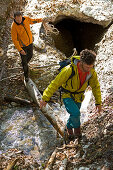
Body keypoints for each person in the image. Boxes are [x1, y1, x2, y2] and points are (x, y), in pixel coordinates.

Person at [40, 49, 102, 141]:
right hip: (67, 95)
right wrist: (45, 98)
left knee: (74, 115)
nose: (89, 69)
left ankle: (68, 127)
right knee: (76, 113)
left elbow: (96, 87)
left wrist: (98, 102)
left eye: (91, 66)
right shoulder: (69, 70)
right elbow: (55, 83)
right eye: (87, 67)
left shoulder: (91, 72)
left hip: (79, 96)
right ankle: (78, 133)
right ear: (81, 62)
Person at [11, 11, 43, 82]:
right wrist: (20, 50)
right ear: (15, 18)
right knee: (25, 62)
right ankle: (26, 76)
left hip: (30, 43)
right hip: (23, 47)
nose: (19, 21)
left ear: (21, 16)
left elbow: (32, 21)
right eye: (17, 20)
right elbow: (14, 40)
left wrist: (40, 20)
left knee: (31, 55)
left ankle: (24, 63)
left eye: (20, 19)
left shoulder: (26, 19)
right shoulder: (14, 27)